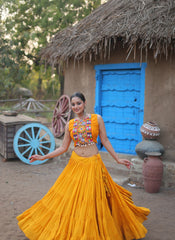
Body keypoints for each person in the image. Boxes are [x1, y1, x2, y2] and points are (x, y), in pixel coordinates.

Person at [17, 92, 150, 240]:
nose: (76, 107)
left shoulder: (97, 119)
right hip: (76, 164)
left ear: (85, 103)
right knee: (71, 199)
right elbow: (63, 148)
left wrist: (117, 159)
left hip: (93, 163)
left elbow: (104, 140)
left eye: (78, 103)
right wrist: (43, 156)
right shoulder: (70, 124)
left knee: (92, 199)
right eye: (73, 104)